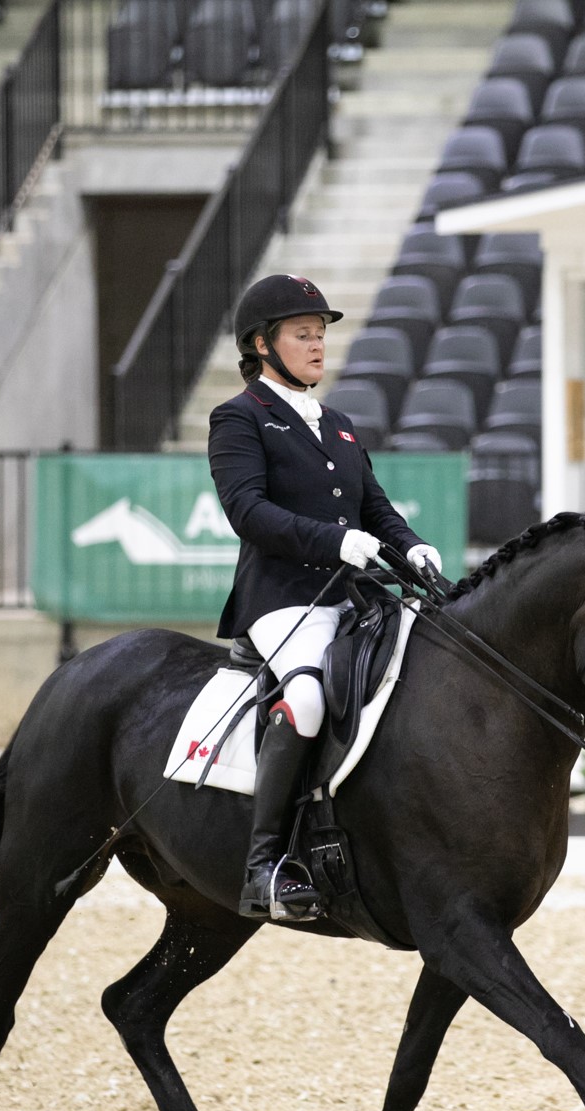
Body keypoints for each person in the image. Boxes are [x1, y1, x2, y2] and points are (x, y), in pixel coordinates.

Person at [208, 274, 441, 922]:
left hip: (352, 594)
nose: (317, 346)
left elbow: (375, 508)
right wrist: (334, 542)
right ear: (261, 344)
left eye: (321, 335)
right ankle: (264, 867)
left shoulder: (335, 423)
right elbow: (247, 511)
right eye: (303, 335)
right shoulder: (239, 417)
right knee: (306, 696)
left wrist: (412, 546)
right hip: (285, 597)